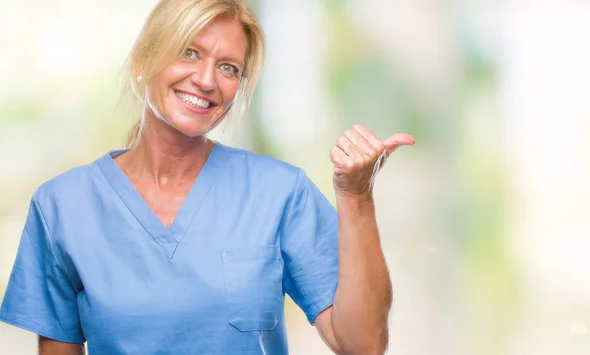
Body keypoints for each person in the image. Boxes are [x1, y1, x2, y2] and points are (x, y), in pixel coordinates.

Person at [0, 0, 415, 354]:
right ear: (145, 59)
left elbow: (363, 344)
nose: (206, 80)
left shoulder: (280, 193)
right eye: (189, 53)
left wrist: (356, 196)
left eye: (229, 68)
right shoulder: (62, 207)